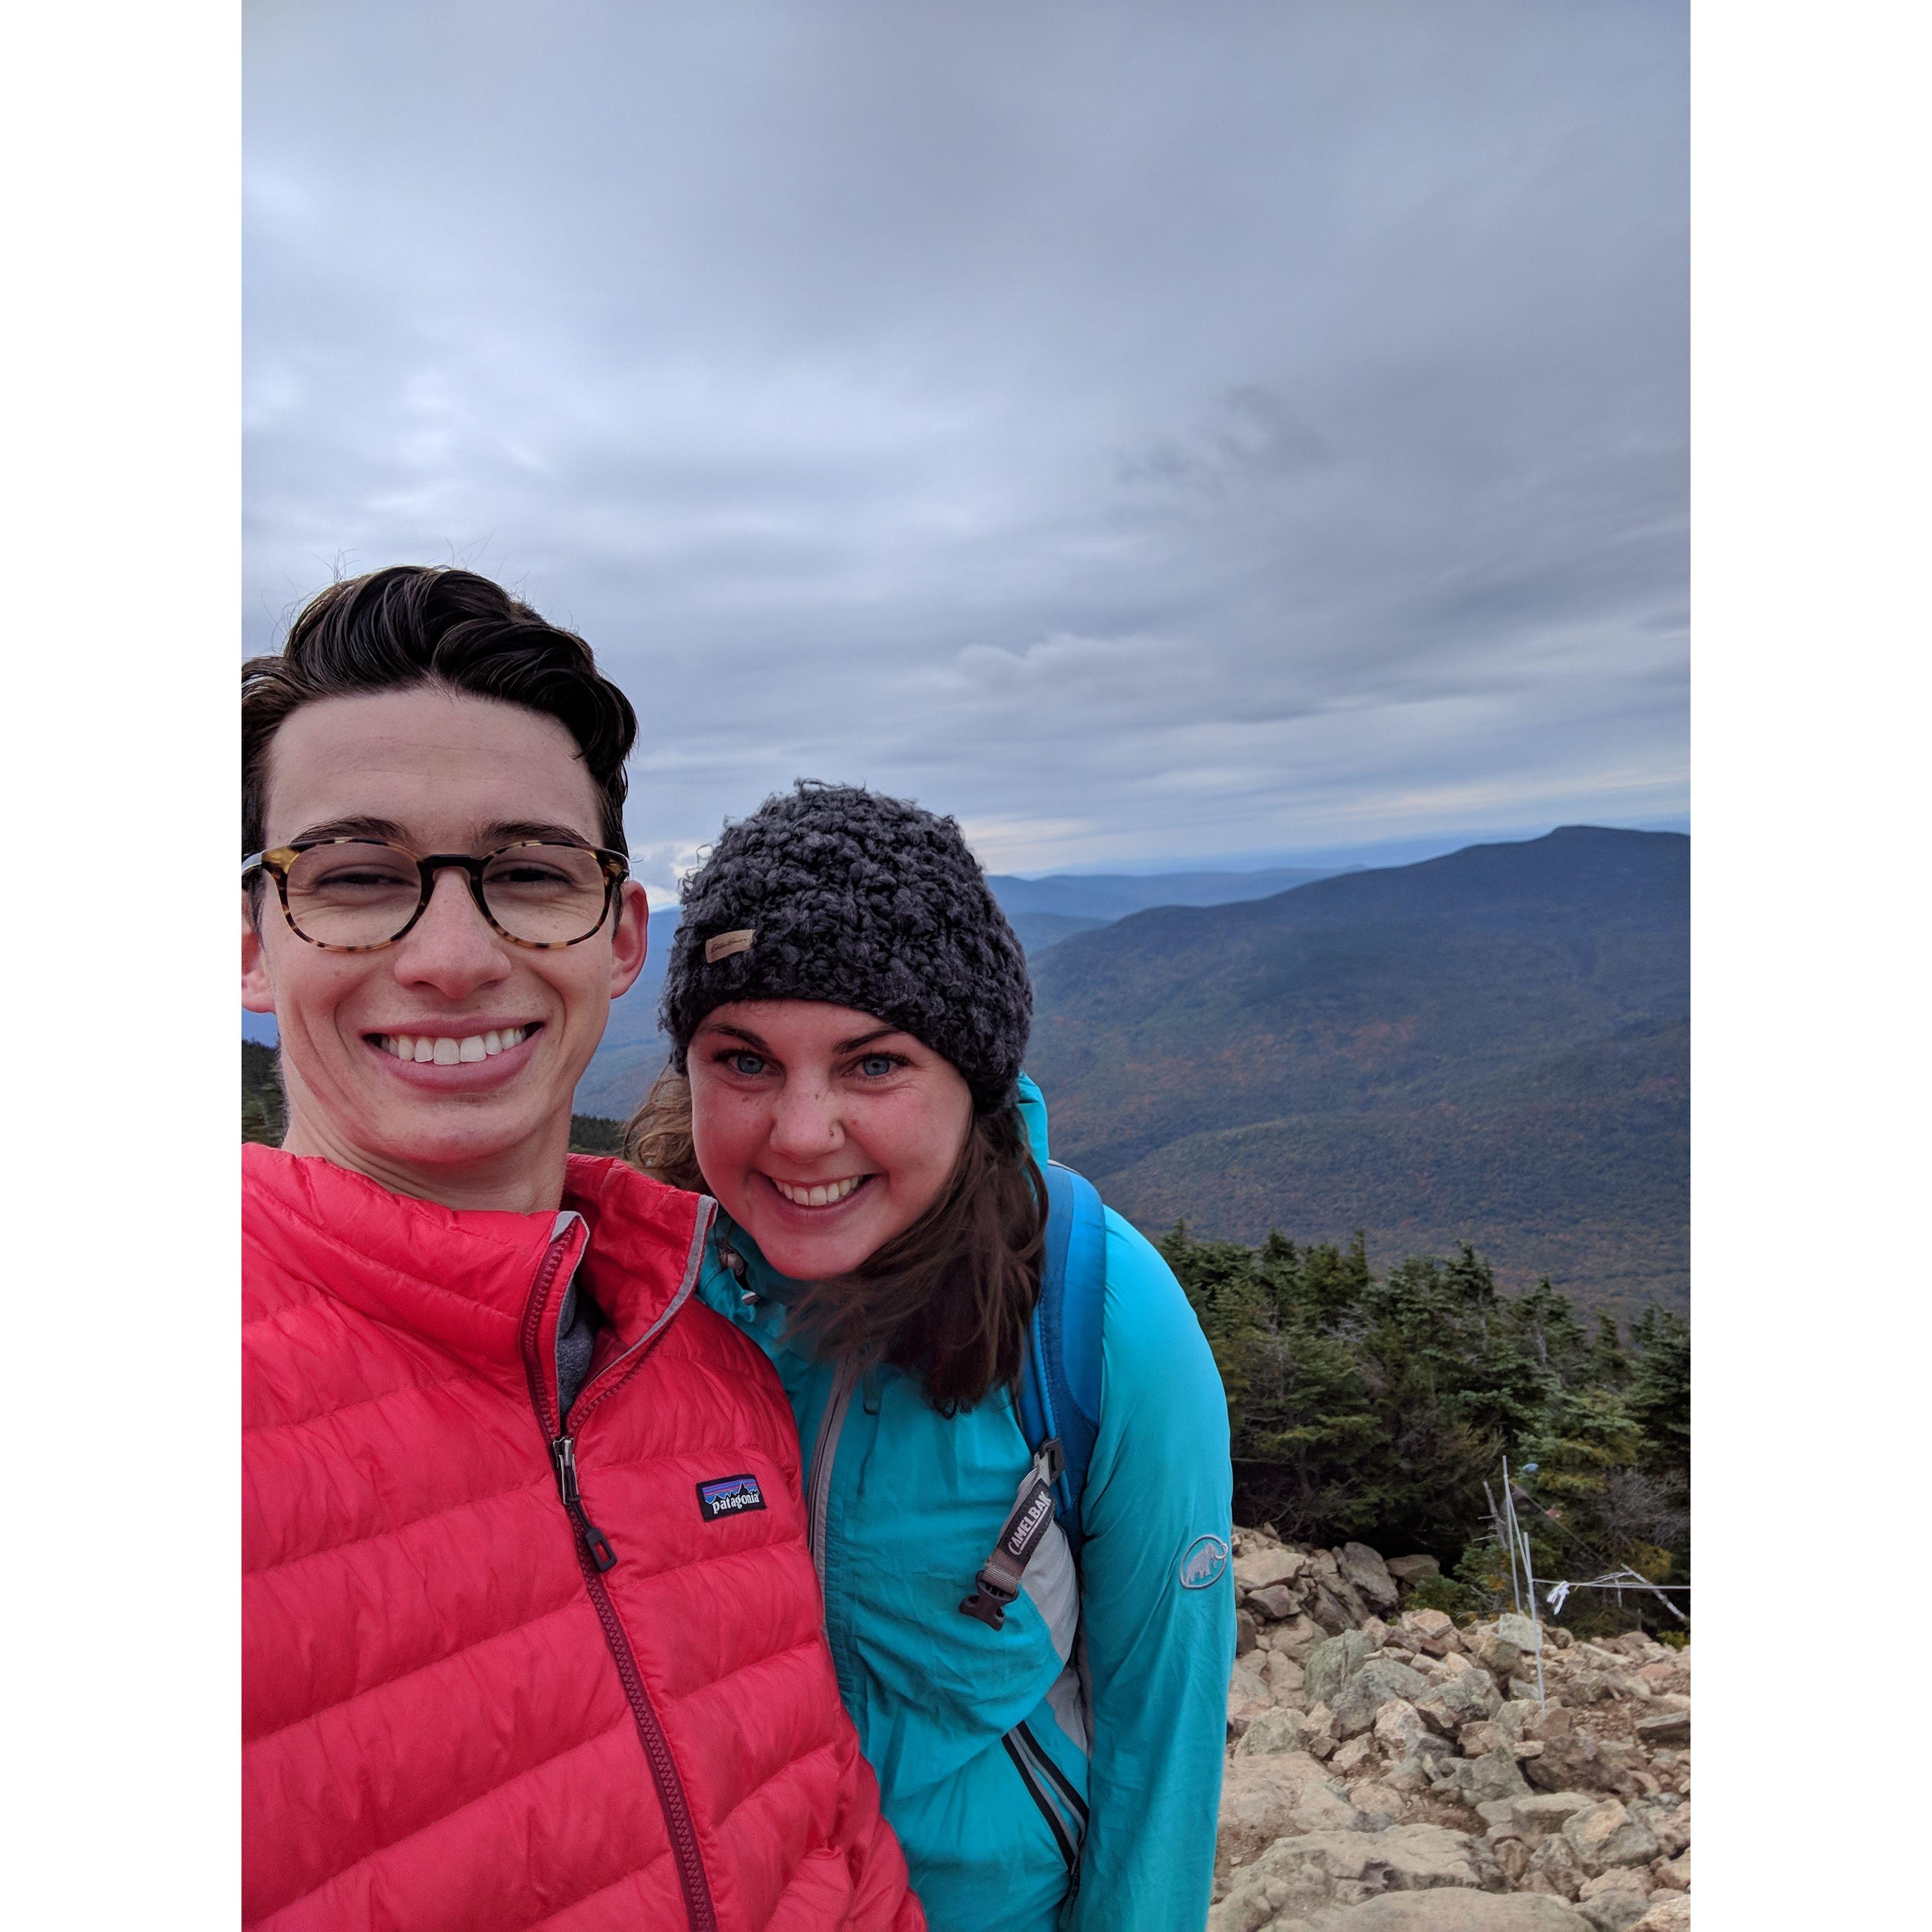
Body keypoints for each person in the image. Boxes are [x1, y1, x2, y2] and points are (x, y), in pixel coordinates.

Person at [241, 569, 922, 1932]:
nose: (449, 955)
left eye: (528, 875)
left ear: (618, 938)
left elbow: (831, 1837)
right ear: (246, 945)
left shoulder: (709, 1348)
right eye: (359, 876)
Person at [627, 783, 1234, 1932]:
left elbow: (1164, 1730)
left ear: (977, 1082)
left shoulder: (1095, 1318)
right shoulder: (633, 1298)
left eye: (873, 1065)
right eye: (744, 1061)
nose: (801, 1132)